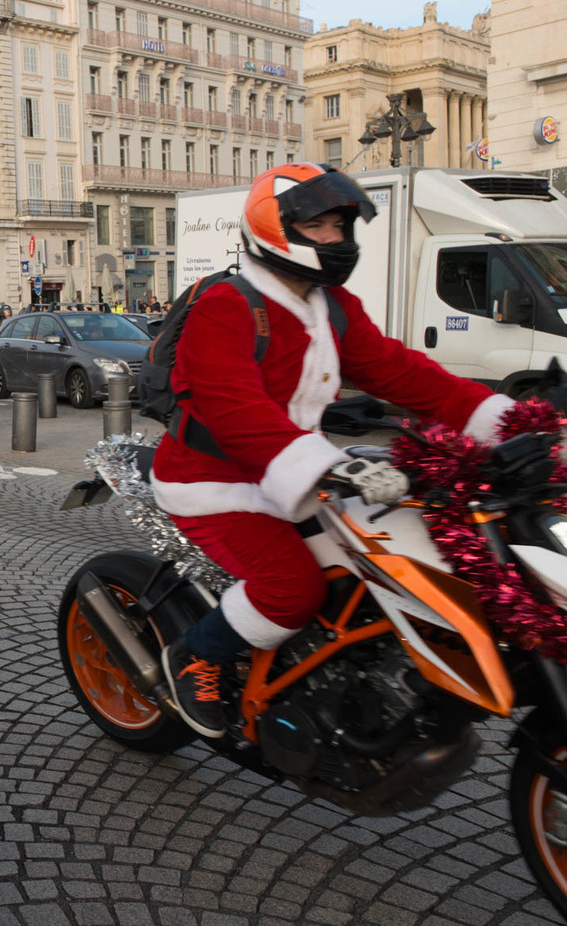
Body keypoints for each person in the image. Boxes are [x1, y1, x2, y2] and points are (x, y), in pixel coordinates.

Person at [153, 164, 515, 739]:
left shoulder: (332, 306)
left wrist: (504, 420)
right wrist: (328, 465)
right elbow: (235, 409)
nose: (335, 239)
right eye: (318, 226)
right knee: (292, 588)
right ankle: (197, 656)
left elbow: (404, 373)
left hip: (299, 471)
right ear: (276, 230)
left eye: (341, 226)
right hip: (213, 480)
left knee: (399, 554)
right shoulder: (227, 305)